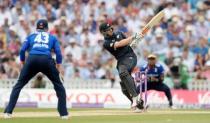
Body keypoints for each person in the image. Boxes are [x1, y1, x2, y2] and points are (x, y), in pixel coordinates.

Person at [4, 19, 69, 119]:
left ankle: (8, 112)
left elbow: (22, 50)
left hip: (32, 59)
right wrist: (58, 66)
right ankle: (63, 114)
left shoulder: (30, 36)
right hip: (46, 60)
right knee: (59, 85)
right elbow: (59, 53)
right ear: (47, 28)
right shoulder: (52, 37)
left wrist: (22, 62)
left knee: (18, 85)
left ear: (37, 28)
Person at [99, 22, 144, 111]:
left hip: (130, 56)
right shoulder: (106, 43)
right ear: (103, 32)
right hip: (121, 60)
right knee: (123, 86)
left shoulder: (119, 33)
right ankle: (139, 105)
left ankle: (135, 97)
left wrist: (137, 40)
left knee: (123, 72)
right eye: (108, 30)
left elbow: (129, 43)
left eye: (111, 28)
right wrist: (133, 37)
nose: (111, 31)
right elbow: (119, 44)